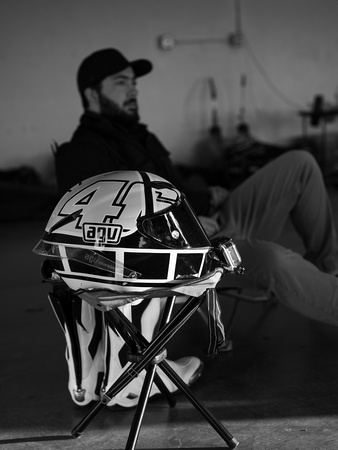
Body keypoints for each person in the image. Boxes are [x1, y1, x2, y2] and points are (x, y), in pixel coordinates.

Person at [53, 48, 338, 407]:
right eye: (121, 82)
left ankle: (328, 273)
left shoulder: (139, 136)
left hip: (205, 222)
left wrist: (203, 198)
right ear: (92, 94)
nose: (133, 90)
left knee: (300, 163)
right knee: (272, 260)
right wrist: (185, 224)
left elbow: (170, 188)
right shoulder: (83, 153)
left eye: (134, 83)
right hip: (184, 254)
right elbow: (104, 235)